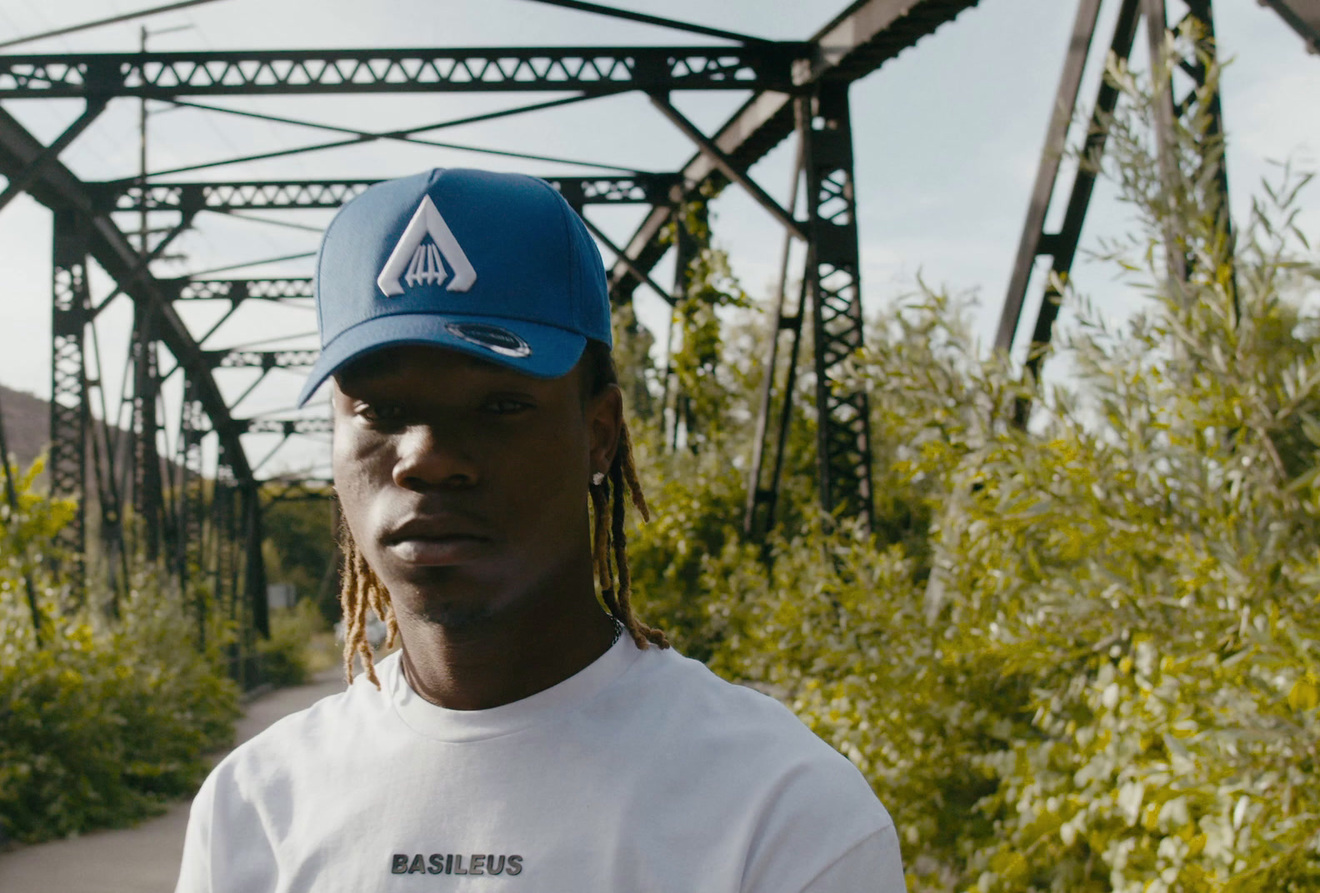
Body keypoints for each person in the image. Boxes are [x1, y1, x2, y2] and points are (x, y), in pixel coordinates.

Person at [174, 168, 905, 892]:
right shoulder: (255, 808)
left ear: (600, 433)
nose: (426, 457)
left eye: (498, 406)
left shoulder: (783, 810)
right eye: (381, 410)